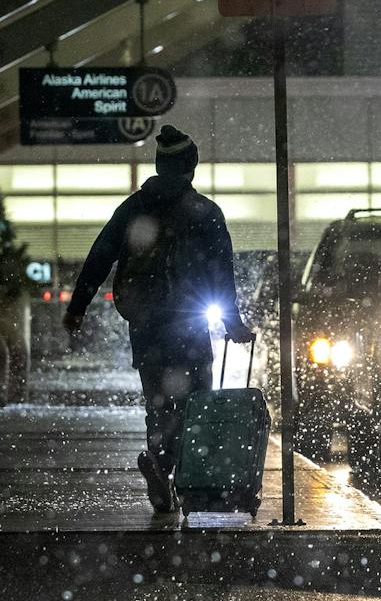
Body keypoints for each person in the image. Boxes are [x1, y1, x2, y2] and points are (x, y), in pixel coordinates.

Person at [63, 125, 252, 514]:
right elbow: (221, 274)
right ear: (191, 168)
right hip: (190, 325)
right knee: (195, 403)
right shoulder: (205, 212)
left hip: (146, 326)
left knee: (159, 402)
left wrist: (77, 306)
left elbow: (101, 256)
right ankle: (177, 475)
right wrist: (232, 323)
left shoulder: (134, 208)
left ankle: (159, 463)